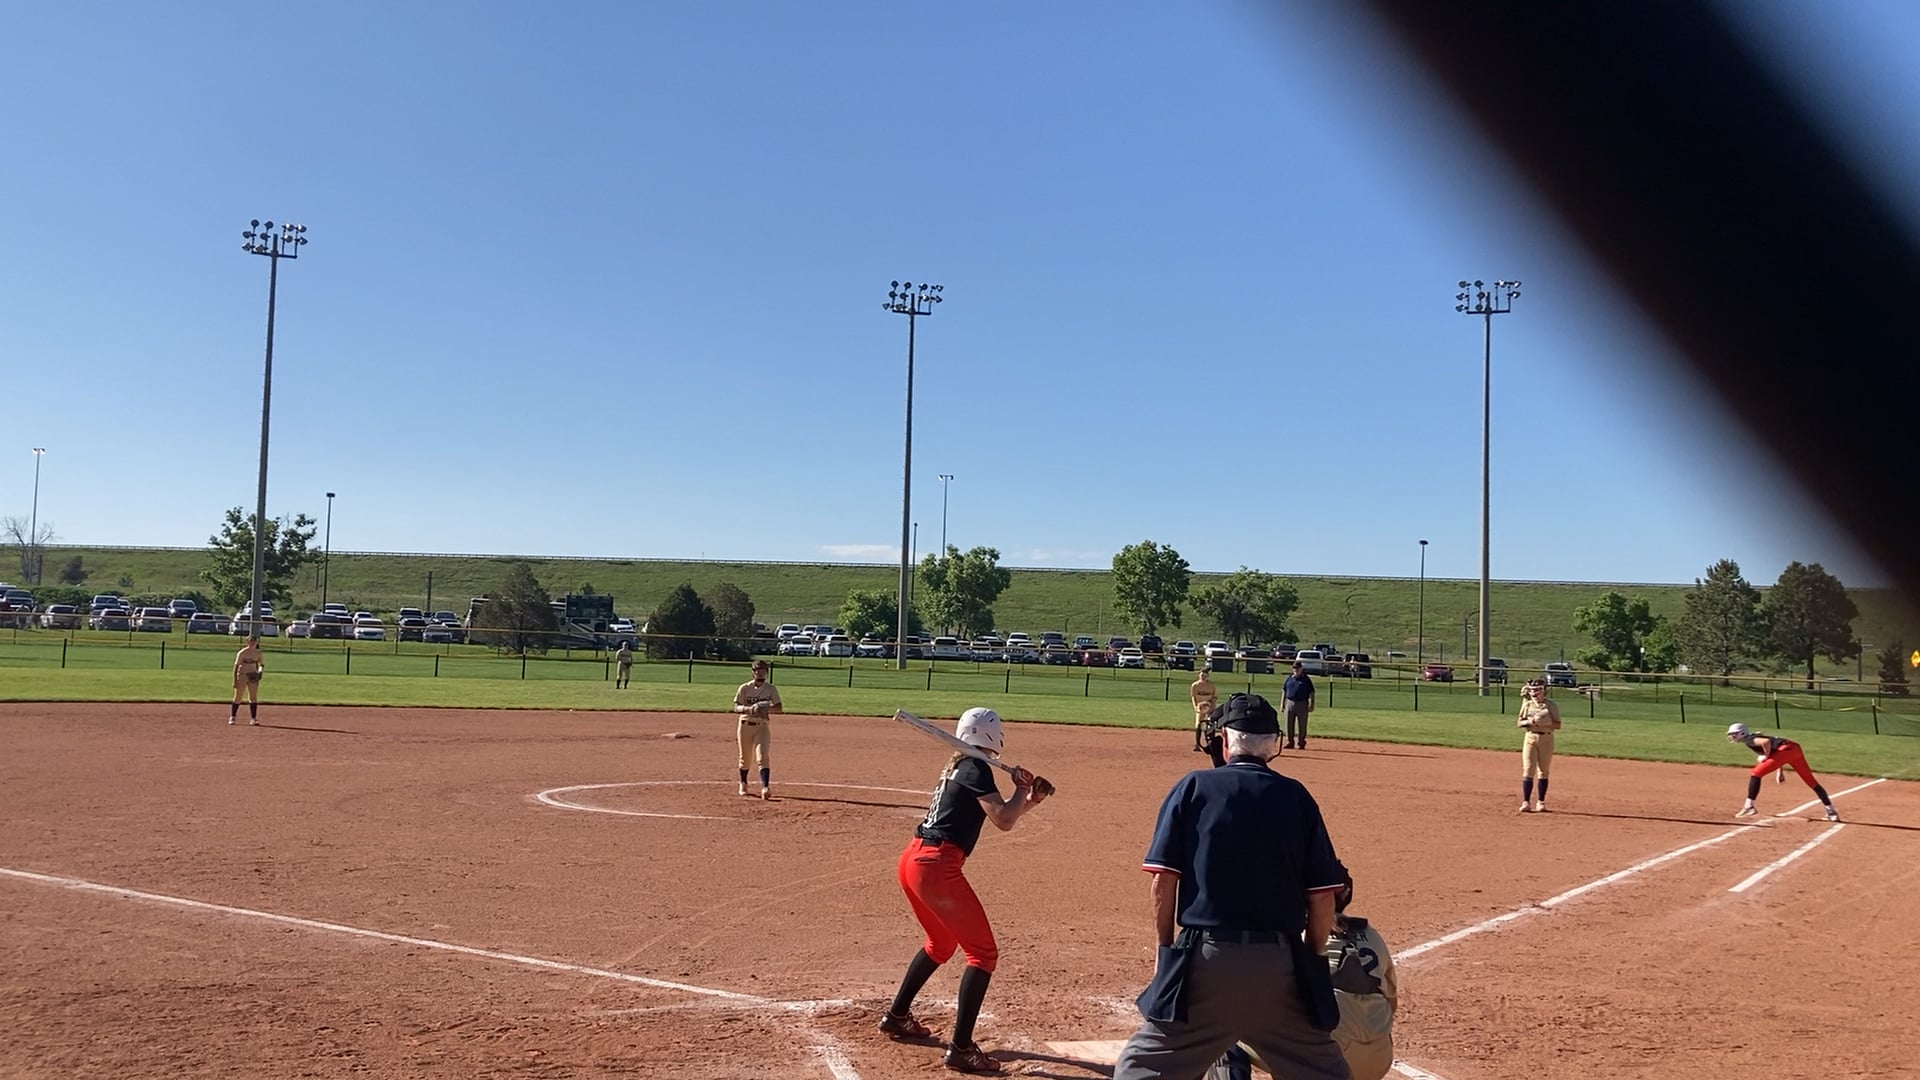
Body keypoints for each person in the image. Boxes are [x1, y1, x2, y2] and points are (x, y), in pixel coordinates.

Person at [1112, 693, 1351, 1080]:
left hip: (1207, 965)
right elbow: (1323, 898)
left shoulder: (1193, 787)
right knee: (1324, 1072)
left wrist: (1164, 950)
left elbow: (1163, 881)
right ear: (1273, 745)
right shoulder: (1297, 797)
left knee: (1140, 1068)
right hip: (1280, 970)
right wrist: (1309, 962)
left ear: (1223, 740)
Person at [879, 707, 1051, 1075]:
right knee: (983, 954)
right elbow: (1003, 820)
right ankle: (961, 1048)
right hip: (936, 867)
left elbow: (1003, 812)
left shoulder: (960, 765)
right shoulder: (976, 768)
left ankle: (897, 1016)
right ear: (993, 736)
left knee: (940, 944)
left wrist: (1029, 799)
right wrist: (1021, 788)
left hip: (915, 862)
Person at [1727, 723, 1840, 821]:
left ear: (1742, 733)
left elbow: (1766, 742)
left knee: (1756, 774)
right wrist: (1779, 771)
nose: (1732, 737)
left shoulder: (1749, 740)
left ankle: (1749, 806)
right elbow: (1776, 753)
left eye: (1734, 734)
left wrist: (1766, 757)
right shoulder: (1752, 738)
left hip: (1785, 751)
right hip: (1794, 749)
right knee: (1812, 782)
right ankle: (1831, 812)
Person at [730, 660, 783, 799]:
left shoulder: (771, 689)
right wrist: (749, 709)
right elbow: (736, 707)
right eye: (757, 670)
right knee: (745, 758)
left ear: (767, 672)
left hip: (762, 726)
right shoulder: (744, 688)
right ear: (753, 672)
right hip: (745, 725)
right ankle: (743, 783)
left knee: (762, 756)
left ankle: (765, 787)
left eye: (763, 670)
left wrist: (766, 709)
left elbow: (779, 708)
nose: (760, 672)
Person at [1515, 678, 1562, 812]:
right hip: (1530, 737)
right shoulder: (1527, 704)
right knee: (1528, 769)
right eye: (1532, 690)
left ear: (1544, 691)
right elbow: (1519, 722)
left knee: (1543, 771)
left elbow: (1558, 725)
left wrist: (1546, 723)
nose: (1534, 693)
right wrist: (1530, 722)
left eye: (1537, 690)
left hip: (1546, 738)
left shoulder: (1551, 705)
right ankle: (1526, 802)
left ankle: (1541, 802)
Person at [229, 634, 264, 726]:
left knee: (253, 697)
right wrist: (235, 680)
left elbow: (261, 664)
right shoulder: (242, 652)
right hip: (242, 675)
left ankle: (253, 719)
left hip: (253, 676)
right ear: (247, 642)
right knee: (238, 697)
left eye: (254, 641)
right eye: (250, 641)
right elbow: (236, 666)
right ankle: (233, 717)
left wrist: (260, 672)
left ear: (257, 642)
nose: (252, 643)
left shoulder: (258, 653)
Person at [1282, 662, 1315, 750]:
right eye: (1294, 668)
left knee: (1302, 724)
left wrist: (1312, 704)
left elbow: (1312, 692)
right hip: (1290, 702)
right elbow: (1284, 690)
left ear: (1301, 669)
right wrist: (1282, 703)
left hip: (1302, 703)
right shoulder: (1289, 678)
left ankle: (1301, 742)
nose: (1296, 670)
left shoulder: (1306, 679)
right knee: (1288, 723)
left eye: (1297, 668)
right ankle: (1290, 742)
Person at [1192, 668, 1220, 760]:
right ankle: (1197, 744)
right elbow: (1193, 697)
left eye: (1205, 676)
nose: (1203, 677)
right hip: (1200, 708)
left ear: (1208, 676)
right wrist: (1196, 706)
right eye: (1201, 675)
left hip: (1210, 707)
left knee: (1210, 725)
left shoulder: (1211, 685)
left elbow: (1215, 696)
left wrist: (1209, 703)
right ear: (1199, 675)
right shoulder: (1195, 685)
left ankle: (1211, 744)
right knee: (1198, 724)